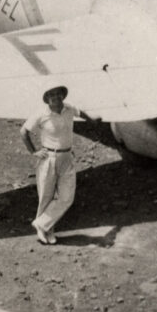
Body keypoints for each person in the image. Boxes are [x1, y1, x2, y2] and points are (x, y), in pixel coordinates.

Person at [19, 84, 99, 244]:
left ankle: (41, 223)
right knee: (46, 196)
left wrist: (92, 120)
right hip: (48, 157)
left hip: (67, 157)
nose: (55, 97)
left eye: (58, 94)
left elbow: (80, 112)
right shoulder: (41, 113)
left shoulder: (69, 108)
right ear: (47, 98)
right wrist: (34, 151)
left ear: (63, 95)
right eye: (51, 95)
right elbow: (24, 131)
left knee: (67, 197)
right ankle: (47, 231)